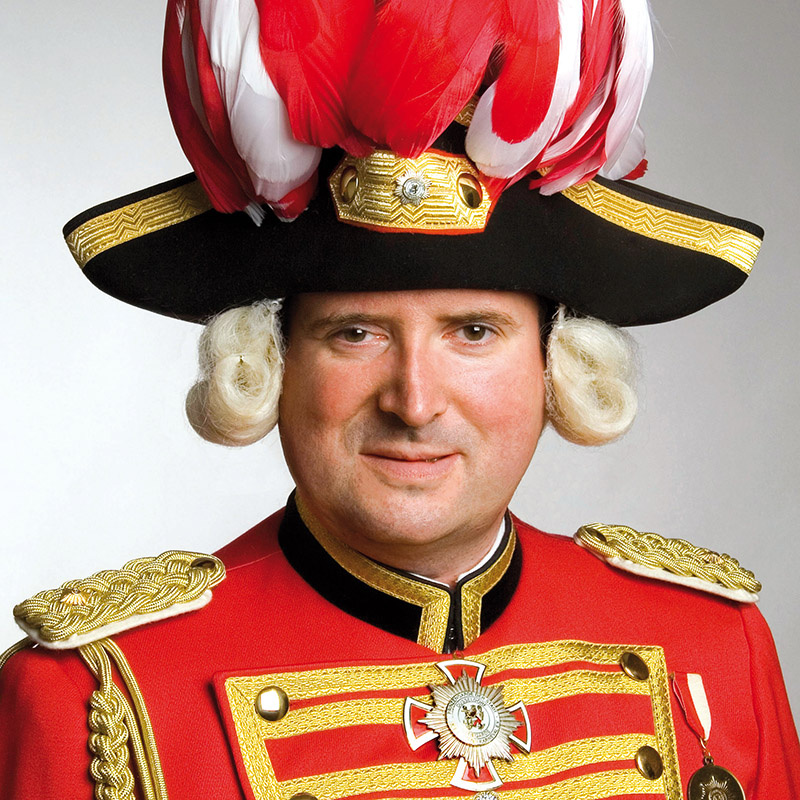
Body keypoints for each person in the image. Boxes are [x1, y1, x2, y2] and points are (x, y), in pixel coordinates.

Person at [2, 1, 799, 798]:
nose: (414, 403)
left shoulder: (714, 644)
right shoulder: (96, 696)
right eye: (355, 334)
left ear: (557, 366)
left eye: (474, 333)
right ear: (271, 364)